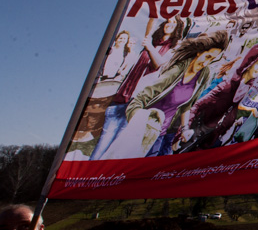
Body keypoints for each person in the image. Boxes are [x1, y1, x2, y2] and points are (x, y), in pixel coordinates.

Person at [90, 16, 186, 159]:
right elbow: (151, 21)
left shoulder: (172, 50)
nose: (169, 25)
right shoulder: (151, 42)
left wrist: (149, 47)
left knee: (117, 148)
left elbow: (159, 64)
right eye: (167, 21)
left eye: (173, 23)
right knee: (104, 141)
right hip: (122, 97)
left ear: (177, 28)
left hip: (138, 103)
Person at [126, 30, 228, 157]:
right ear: (199, 52)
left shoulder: (204, 73)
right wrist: (137, 124)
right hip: (144, 131)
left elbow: (187, 105)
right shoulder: (177, 70)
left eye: (212, 59)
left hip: (165, 133)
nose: (206, 63)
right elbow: (141, 99)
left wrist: (184, 129)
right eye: (207, 57)